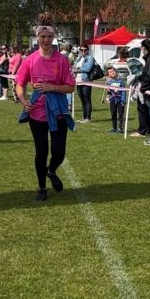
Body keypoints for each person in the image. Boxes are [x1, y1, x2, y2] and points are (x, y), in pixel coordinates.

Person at [15, 14, 76, 202]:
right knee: (41, 151)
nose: (46, 40)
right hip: (37, 111)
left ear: (54, 38)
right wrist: (23, 99)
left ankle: (51, 170)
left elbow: (71, 86)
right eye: (43, 37)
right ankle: (41, 187)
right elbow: (19, 83)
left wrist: (52, 88)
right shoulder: (30, 60)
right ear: (37, 37)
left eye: (49, 37)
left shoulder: (62, 60)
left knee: (58, 152)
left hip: (58, 110)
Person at [73, 44, 97, 123]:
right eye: (81, 50)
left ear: (88, 50)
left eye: (85, 50)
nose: (83, 51)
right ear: (79, 50)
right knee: (82, 100)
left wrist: (77, 70)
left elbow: (87, 68)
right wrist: (75, 69)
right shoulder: (78, 58)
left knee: (87, 100)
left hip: (86, 80)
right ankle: (84, 117)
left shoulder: (90, 58)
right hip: (78, 81)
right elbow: (74, 67)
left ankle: (88, 118)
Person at [103, 65, 127, 133]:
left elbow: (123, 91)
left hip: (120, 101)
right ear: (108, 75)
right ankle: (114, 127)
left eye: (113, 71)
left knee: (121, 114)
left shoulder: (121, 81)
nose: (112, 72)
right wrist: (108, 90)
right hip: (113, 100)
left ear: (116, 72)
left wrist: (123, 100)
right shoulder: (109, 82)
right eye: (110, 72)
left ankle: (121, 128)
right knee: (113, 114)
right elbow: (109, 93)